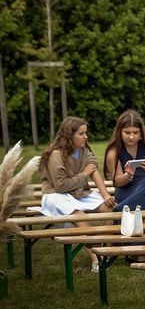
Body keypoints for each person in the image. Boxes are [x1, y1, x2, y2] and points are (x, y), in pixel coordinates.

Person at [31, 116, 116, 272]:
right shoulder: (55, 155)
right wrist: (83, 174)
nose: (86, 137)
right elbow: (61, 186)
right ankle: (96, 259)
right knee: (79, 215)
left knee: (110, 208)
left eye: (86, 133)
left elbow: (94, 172)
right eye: (81, 134)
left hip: (78, 193)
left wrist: (105, 196)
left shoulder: (84, 150)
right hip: (55, 195)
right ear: (69, 135)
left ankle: (107, 252)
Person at [103, 110, 145, 211]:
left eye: (135, 133)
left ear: (141, 132)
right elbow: (117, 182)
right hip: (126, 190)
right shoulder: (114, 151)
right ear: (119, 132)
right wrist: (128, 175)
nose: (131, 137)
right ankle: (121, 209)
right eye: (127, 133)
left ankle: (121, 209)